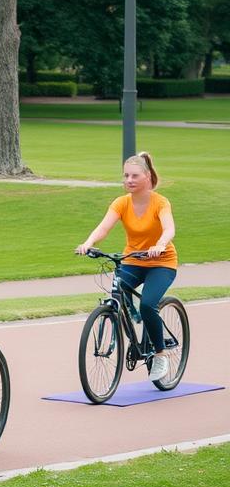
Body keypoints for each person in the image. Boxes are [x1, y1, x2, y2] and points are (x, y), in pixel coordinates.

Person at [75, 151, 178, 381]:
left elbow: (169, 228)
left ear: (147, 177)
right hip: (133, 259)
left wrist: (160, 244)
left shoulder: (160, 202)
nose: (129, 180)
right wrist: (88, 243)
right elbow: (103, 228)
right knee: (117, 287)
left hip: (161, 262)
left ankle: (160, 354)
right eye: (125, 176)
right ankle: (128, 314)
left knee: (149, 304)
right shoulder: (121, 203)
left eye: (134, 176)